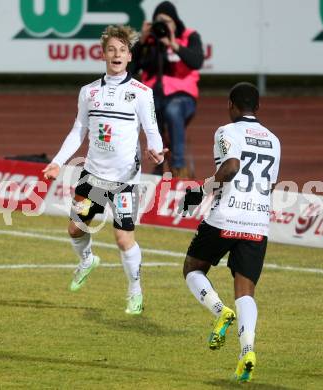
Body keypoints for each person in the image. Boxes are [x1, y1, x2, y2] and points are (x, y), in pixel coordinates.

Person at [43, 25, 167, 315]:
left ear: (129, 55)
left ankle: (135, 290)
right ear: (103, 54)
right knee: (75, 228)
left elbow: (152, 130)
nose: (116, 54)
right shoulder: (88, 92)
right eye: (111, 49)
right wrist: (57, 162)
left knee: (123, 239)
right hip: (94, 175)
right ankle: (87, 260)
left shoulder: (140, 93)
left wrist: (156, 151)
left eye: (122, 50)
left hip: (124, 180)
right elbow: (78, 131)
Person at [179, 82, 281, 382]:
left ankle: (219, 311)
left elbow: (231, 167)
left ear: (231, 105)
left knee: (192, 268)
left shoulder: (227, 131)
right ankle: (247, 349)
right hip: (258, 221)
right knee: (246, 291)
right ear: (258, 107)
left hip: (226, 217)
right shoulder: (275, 140)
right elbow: (272, 184)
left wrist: (201, 190)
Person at [130, 1, 204, 177]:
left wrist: (173, 44)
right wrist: (141, 41)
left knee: (173, 109)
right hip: (154, 95)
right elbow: (129, 70)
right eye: (158, 22)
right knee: (147, 111)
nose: (162, 26)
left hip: (182, 97)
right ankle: (158, 162)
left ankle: (178, 166)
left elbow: (197, 61)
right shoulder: (148, 41)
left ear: (175, 22)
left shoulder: (189, 36)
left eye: (167, 22)